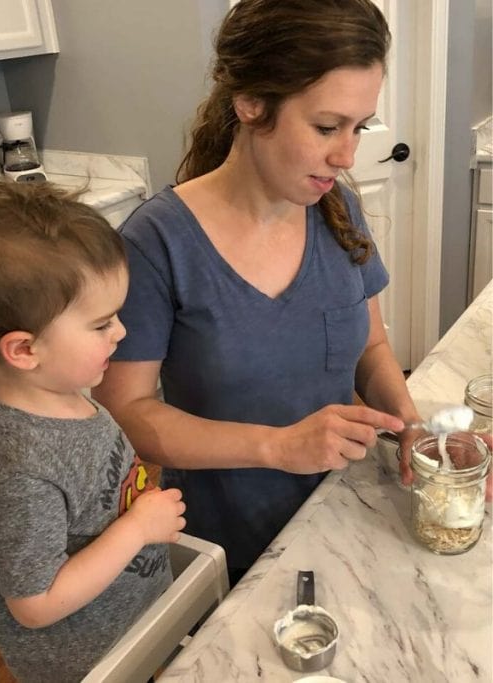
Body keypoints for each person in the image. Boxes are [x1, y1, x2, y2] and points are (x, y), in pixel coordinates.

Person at [92, 0, 422, 588]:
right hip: (229, 552)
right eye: (326, 127)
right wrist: (279, 447)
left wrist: (411, 427)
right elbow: (129, 414)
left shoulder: (339, 209)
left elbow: (370, 346)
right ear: (250, 103)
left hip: (346, 516)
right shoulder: (157, 243)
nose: (347, 156)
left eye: (359, 127)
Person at [0, 181, 187, 682]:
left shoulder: (62, 395)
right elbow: (35, 602)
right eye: (101, 324)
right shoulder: (24, 464)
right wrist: (138, 529)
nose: (121, 332)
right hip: (92, 662)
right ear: (25, 350)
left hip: (134, 623)